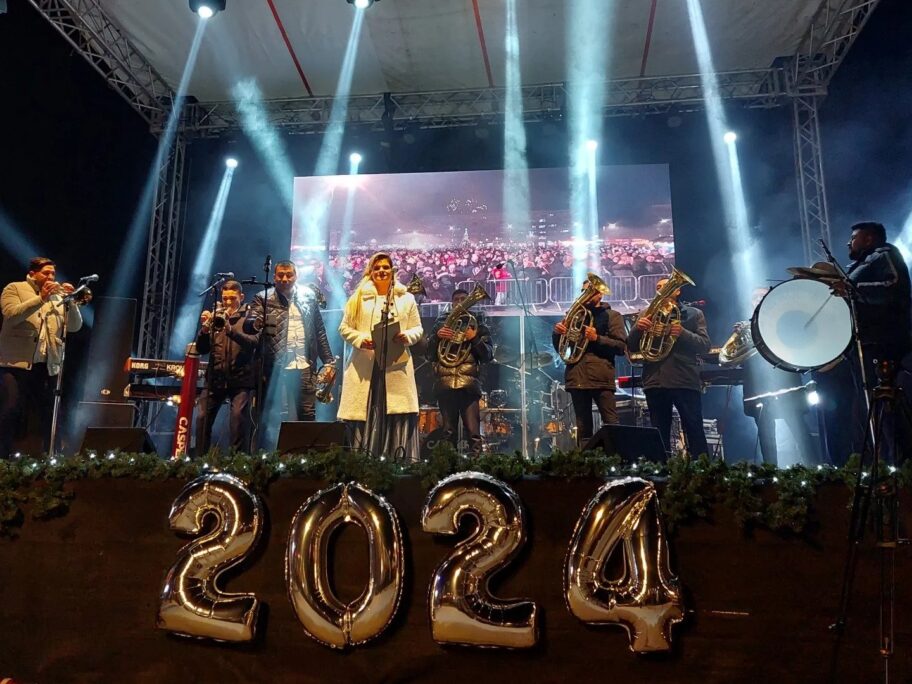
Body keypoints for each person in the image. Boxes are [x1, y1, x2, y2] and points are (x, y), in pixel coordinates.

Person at [338, 252, 424, 461]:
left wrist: (407, 336)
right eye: (377, 268)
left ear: (392, 271)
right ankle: (363, 460)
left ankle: (396, 459)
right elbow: (344, 328)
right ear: (371, 272)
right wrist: (361, 339)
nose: (381, 271)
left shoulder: (406, 298)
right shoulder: (358, 298)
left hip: (396, 364)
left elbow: (418, 328)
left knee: (396, 410)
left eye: (385, 267)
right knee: (365, 410)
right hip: (366, 365)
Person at [0, 257, 84, 457]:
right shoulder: (15, 288)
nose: (51, 277)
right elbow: (11, 314)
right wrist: (41, 298)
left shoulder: (58, 297)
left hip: (47, 365)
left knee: (51, 414)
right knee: (11, 409)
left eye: (53, 273)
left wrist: (71, 302)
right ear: (32, 274)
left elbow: (74, 326)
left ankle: (51, 457)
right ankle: (3, 458)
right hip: (16, 364)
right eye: (46, 273)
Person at [245, 261, 335, 443]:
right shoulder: (263, 298)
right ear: (274, 277)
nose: (285, 279)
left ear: (296, 276)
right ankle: (269, 454)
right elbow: (250, 323)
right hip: (275, 366)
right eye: (280, 275)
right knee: (272, 413)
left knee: (307, 412)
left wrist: (328, 361)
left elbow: (319, 329)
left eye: (289, 275)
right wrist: (255, 323)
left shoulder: (309, 296)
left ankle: (306, 454)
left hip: (304, 364)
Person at [627, 277, 711, 457]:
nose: (660, 291)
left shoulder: (693, 314)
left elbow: (704, 345)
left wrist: (682, 333)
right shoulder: (647, 314)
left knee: (694, 429)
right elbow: (632, 347)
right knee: (659, 433)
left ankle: (702, 468)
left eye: (665, 287)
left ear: (677, 290)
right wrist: (637, 329)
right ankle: (661, 470)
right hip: (655, 380)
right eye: (658, 287)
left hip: (684, 379)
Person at [738, 288, 820, 466]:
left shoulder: (782, 321)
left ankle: (814, 468)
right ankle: (770, 471)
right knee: (766, 435)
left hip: (787, 386)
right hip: (758, 390)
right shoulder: (746, 328)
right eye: (755, 298)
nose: (758, 300)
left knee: (800, 431)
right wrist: (741, 340)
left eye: (762, 296)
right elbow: (740, 361)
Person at [551, 279, 627, 445]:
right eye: (583, 291)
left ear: (600, 294)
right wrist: (558, 334)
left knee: (611, 422)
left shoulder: (612, 316)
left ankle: (616, 456)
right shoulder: (574, 316)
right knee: (582, 426)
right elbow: (563, 350)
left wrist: (597, 338)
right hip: (577, 377)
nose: (585, 295)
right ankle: (585, 459)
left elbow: (621, 347)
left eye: (590, 291)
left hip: (601, 377)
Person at [194, 280, 260, 454]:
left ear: (241, 297)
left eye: (232, 298)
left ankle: (236, 461)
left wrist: (231, 331)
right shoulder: (215, 315)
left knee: (238, 421)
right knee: (201, 419)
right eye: (225, 299)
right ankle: (199, 461)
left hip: (240, 379)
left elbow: (253, 343)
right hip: (215, 379)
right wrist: (204, 331)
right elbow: (202, 349)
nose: (228, 302)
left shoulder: (250, 317)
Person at [427, 288, 494, 455]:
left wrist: (474, 338)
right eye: (456, 299)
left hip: (468, 384)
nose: (460, 302)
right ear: (451, 303)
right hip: (445, 383)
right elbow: (429, 354)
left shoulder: (478, 323)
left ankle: (475, 465)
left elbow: (487, 355)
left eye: (464, 299)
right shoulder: (441, 322)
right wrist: (437, 337)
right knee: (447, 432)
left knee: (473, 432)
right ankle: (448, 466)